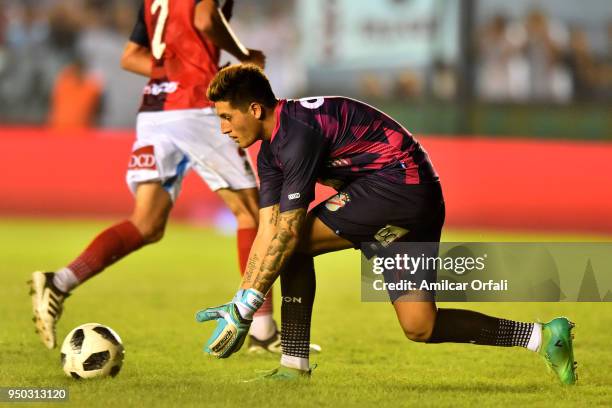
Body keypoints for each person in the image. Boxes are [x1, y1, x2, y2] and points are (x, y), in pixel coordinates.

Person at [195, 64, 577, 385]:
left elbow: (287, 232)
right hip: (409, 198)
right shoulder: (270, 154)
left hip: (398, 187)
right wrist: (240, 299)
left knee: (293, 244)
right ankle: (542, 337)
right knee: (420, 325)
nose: (224, 128)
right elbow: (268, 230)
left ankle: (294, 365)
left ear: (256, 109)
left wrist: (247, 307)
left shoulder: (296, 133)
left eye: (227, 117)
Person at [30, 0, 281, 354]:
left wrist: (179, 74)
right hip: (194, 108)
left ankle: (59, 281)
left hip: (154, 111)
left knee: (146, 223)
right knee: (252, 213)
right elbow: (205, 17)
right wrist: (243, 56)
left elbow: (130, 57)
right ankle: (262, 330)